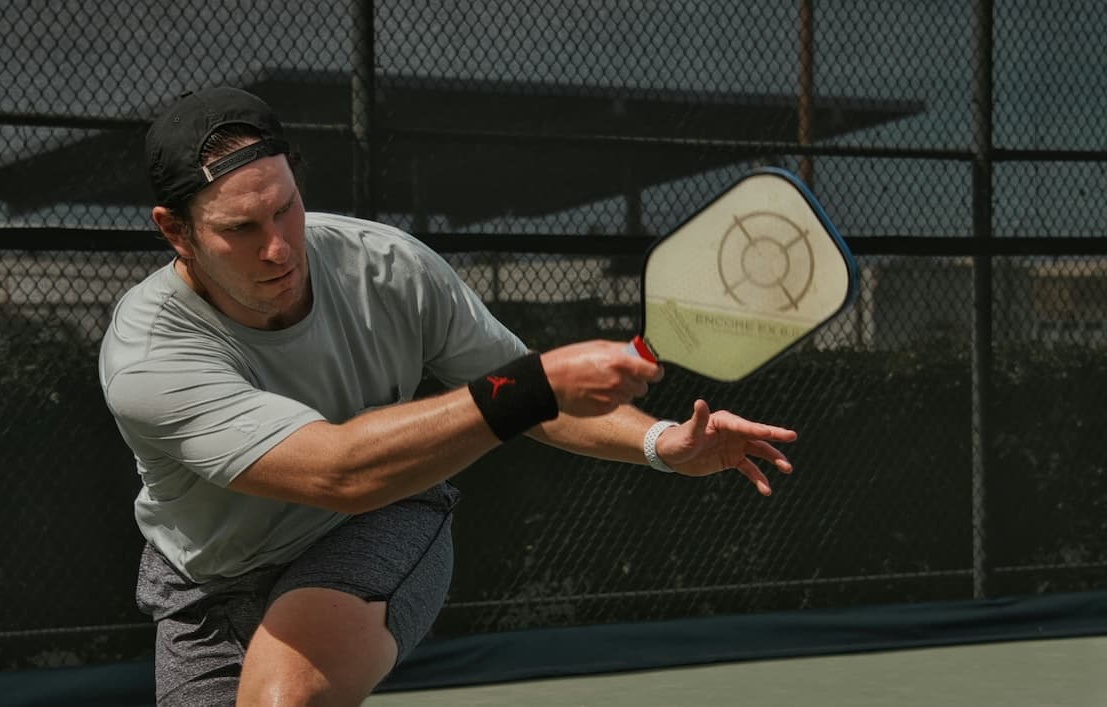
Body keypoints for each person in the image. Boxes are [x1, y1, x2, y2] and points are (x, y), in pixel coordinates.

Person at [99, 86, 798, 707]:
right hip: (206, 587)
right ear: (175, 232)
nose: (279, 247)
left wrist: (660, 442)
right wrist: (535, 385)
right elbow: (336, 468)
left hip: (374, 522)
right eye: (241, 229)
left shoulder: (389, 269)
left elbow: (525, 400)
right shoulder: (149, 356)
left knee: (286, 699)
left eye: (286, 210)